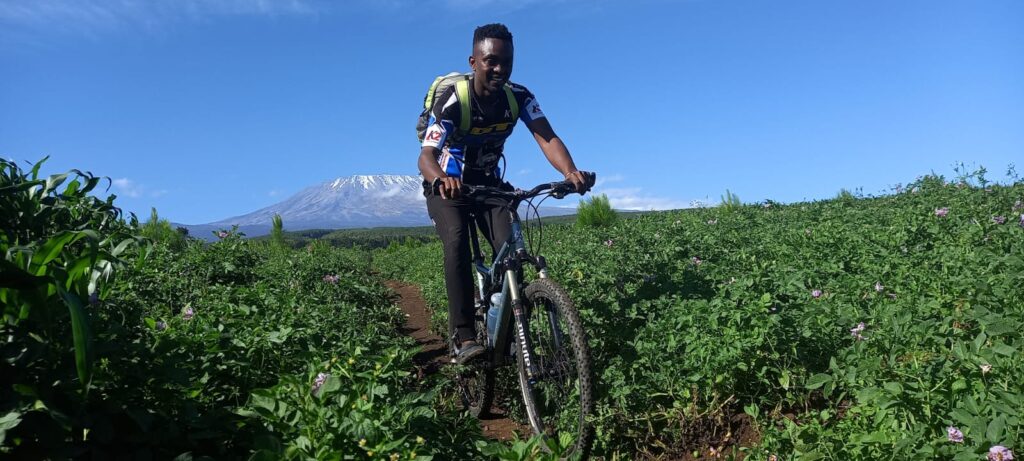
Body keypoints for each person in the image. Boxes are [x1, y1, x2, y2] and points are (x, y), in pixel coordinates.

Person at [417, 23, 591, 364]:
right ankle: (464, 336)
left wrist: (569, 172)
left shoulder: (519, 97)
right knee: (455, 241)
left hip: (490, 186)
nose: (499, 69)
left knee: (510, 249)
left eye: (506, 62)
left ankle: (509, 332)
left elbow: (546, 136)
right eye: (490, 61)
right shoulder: (455, 101)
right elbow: (426, 156)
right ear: (474, 61)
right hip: (448, 187)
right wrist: (440, 180)